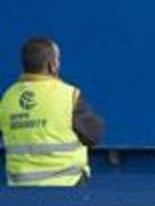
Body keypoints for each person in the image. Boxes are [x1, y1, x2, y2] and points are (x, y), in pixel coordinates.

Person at [0, 37, 104, 186]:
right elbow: (94, 136)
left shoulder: (8, 98)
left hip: (20, 189)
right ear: (52, 65)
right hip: (67, 186)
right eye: (58, 59)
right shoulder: (68, 95)